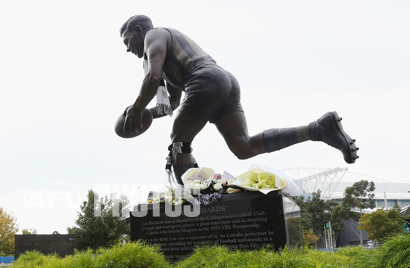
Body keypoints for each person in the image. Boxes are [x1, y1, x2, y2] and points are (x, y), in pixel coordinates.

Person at [119, 15, 359, 184]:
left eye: (128, 40)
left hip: (203, 80)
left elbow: (153, 76)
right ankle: (318, 130)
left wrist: (137, 108)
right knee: (244, 147)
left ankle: (193, 198)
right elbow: (170, 104)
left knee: (178, 143)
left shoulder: (154, 35)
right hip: (223, 82)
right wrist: (146, 112)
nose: (128, 49)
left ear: (139, 32)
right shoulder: (152, 58)